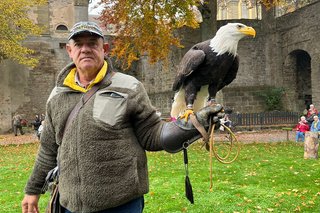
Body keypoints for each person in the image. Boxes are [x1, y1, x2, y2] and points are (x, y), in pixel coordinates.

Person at [21, 21, 224, 213]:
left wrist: (192, 124)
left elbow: (152, 134)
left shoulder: (128, 86)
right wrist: (32, 190)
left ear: (105, 49)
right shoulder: (57, 95)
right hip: (70, 204)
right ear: (69, 50)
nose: (85, 49)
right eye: (78, 44)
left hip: (121, 204)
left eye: (92, 43)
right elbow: (48, 149)